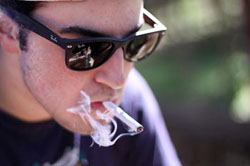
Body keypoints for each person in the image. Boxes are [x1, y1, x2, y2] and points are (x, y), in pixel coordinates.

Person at [0, 0, 181, 166]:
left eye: (134, 43)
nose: (117, 81)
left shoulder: (131, 101)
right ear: (8, 30)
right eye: (86, 50)